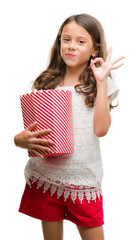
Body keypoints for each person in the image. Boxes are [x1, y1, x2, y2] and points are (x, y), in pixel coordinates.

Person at [14, 14, 124, 240]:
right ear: (59, 42)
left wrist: (102, 83)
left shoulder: (100, 83)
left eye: (81, 41)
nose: (71, 46)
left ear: (95, 49)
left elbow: (101, 130)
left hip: (82, 179)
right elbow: (34, 131)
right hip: (47, 176)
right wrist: (19, 140)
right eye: (66, 39)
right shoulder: (46, 82)